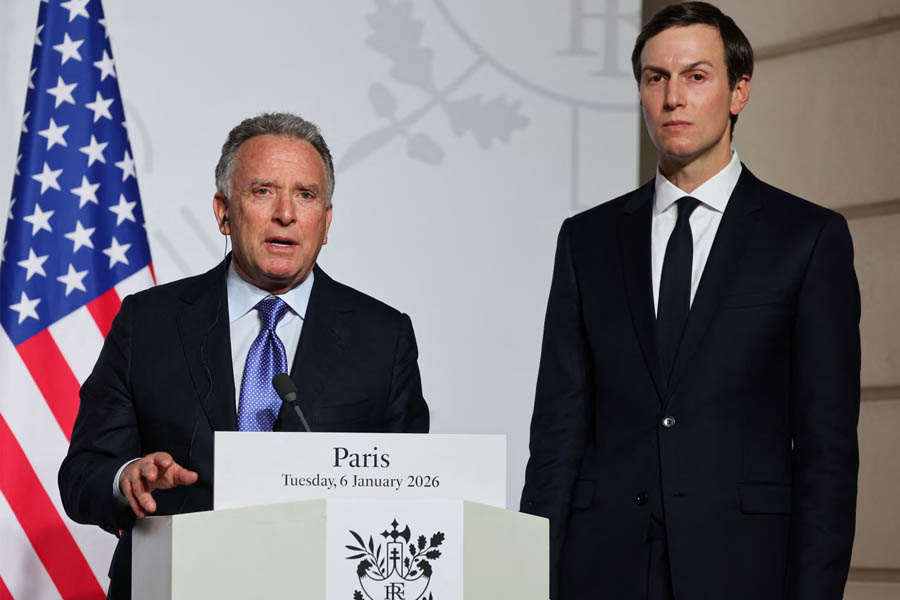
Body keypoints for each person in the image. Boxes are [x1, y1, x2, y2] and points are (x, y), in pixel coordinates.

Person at [520, 3, 860, 599]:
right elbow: (557, 433)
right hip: (602, 569)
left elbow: (826, 452)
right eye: (656, 78)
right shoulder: (586, 240)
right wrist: (529, 579)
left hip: (744, 568)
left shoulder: (806, 238)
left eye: (696, 76)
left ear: (739, 92)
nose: (673, 98)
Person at [59, 112, 429, 599]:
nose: (285, 213)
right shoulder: (148, 322)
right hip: (171, 585)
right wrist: (126, 478)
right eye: (262, 191)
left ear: (326, 222)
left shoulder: (383, 337)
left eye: (306, 195)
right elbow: (83, 474)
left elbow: (411, 495)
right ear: (223, 212)